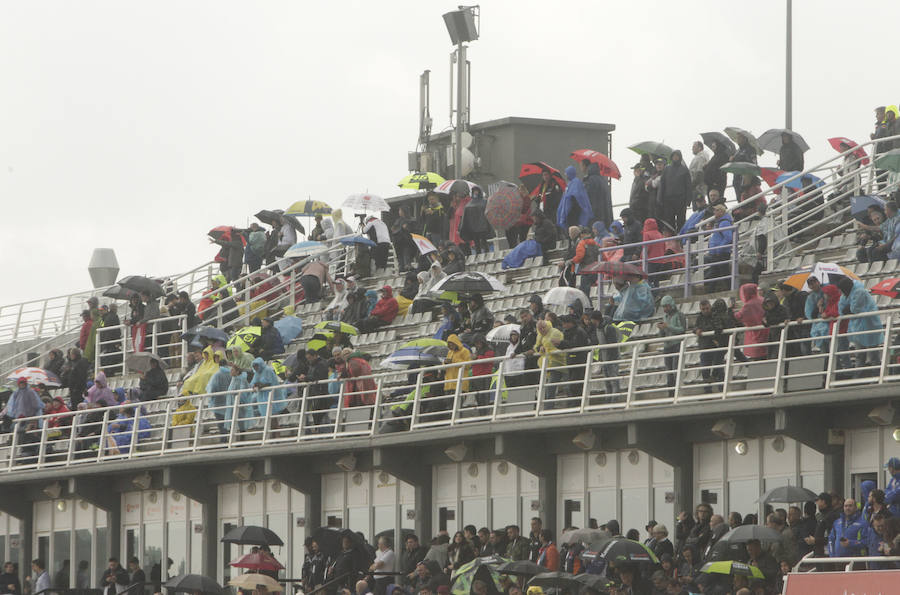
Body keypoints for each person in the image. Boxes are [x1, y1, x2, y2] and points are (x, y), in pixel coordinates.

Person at [836, 277, 883, 372]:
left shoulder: (859, 292)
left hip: (869, 325)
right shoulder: (846, 295)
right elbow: (842, 309)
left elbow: (855, 309)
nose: (840, 292)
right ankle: (859, 375)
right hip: (857, 327)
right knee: (859, 354)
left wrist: (848, 310)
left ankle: (877, 375)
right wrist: (849, 309)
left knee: (873, 353)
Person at [657, 150, 692, 233]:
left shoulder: (684, 170)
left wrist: (688, 200)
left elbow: (688, 186)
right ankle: (671, 239)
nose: (675, 158)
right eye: (674, 156)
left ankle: (681, 237)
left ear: (680, 157)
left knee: (681, 220)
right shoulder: (667, 169)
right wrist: (659, 198)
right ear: (671, 157)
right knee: (669, 221)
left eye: (677, 156)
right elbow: (662, 184)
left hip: (681, 199)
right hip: (668, 200)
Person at [734, 283, 768, 360]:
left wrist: (731, 310)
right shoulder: (762, 299)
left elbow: (738, 316)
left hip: (756, 334)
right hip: (766, 331)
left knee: (758, 357)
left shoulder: (749, 305)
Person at [658, 295, 685, 390]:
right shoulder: (665, 317)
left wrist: (667, 326)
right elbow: (662, 334)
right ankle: (671, 391)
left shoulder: (679, 315)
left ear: (671, 305)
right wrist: (661, 329)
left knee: (675, 369)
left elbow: (682, 330)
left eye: (666, 306)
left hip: (677, 345)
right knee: (668, 371)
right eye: (663, 307)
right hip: (667, 346)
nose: (665, 309)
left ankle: (677, 390)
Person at [704, 203, 733, 292]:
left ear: (721, 211)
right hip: (717, 253)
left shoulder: (724, 222)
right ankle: (711, 291)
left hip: (721, 253)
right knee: (715, 273)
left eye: (717, 210)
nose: (714, 212)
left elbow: (728, 237)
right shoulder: (720, 222)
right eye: (714, 210)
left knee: (722, 273)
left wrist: (719, 249)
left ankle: (730, 289)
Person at [558, 165, 593, 230]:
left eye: (566, 173)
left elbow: (577, 197)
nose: (566, 175)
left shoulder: (576, 182)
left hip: (573, 213)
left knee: (574, 230)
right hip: (570, 213)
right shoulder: (570, 184)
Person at [460, 187, 492, 255]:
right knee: (477, 244)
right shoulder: (469, 204)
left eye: (477, 191)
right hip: (473, 228)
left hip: (482, 226)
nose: (475, 192)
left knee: (484, 242)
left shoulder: (484, 201)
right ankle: (479, 256)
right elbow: (466, 216)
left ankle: (487, 254)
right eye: (474, 191)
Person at [583, 161, 613, 227]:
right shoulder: (603, 180)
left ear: (585, 166)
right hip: (605, 217)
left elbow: (587, 199)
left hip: (595, 218)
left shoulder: (590, 180)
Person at [642, 218, 666, 287]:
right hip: (660, 260)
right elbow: (664, 247)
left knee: (649, 279)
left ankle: (651, 295)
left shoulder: (646, 234)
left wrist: (642, 258)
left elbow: (646, 248)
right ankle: (657, 293)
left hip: (651, 260)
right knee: (656, 280)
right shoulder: (659, 234)